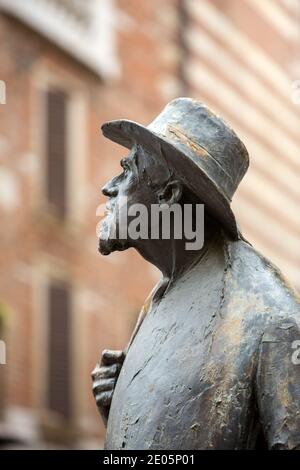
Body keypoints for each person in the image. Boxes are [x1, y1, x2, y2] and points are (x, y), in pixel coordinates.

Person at [92, 98, 300, 450]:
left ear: (169, 195)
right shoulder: (164, 293)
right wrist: (123, 403)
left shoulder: (270, 318)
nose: (110, 187)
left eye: (128, 170)